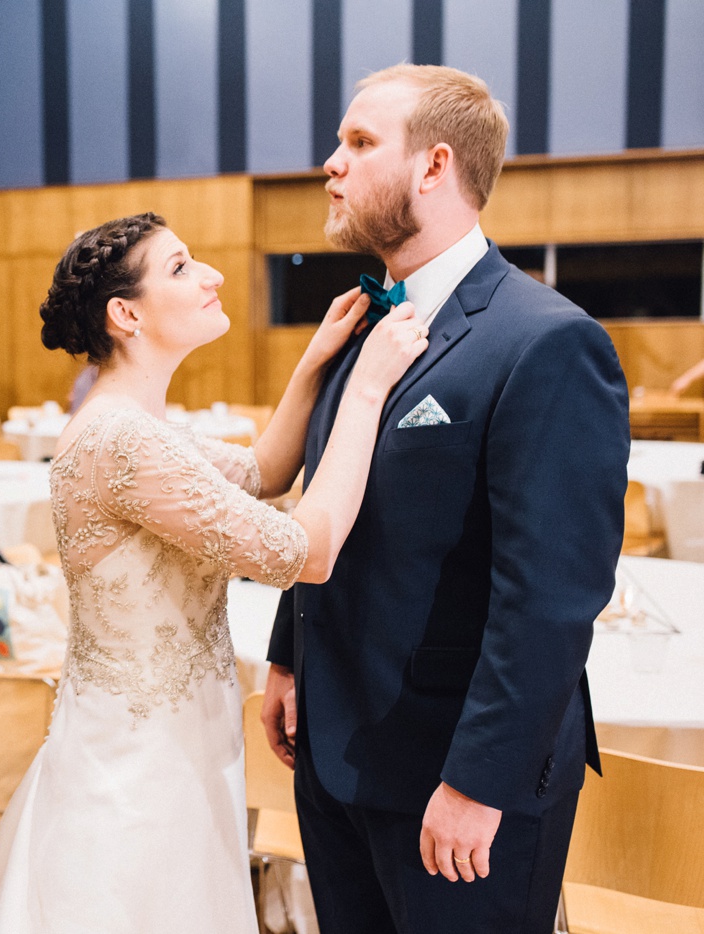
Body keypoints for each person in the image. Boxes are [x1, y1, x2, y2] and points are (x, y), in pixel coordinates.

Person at [0, 212, 428, 933]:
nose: (211, 275)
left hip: (169, 735)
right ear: (126, 314)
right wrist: (365, 389)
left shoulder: (136, 425)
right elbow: (308, 551)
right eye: (180, 267)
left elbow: (265, 471)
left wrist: (315, 360)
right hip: (143, 764)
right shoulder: (121, 440)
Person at [261, 64, 629, 934]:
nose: (330, 163)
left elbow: (547, 597)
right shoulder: (362, 326)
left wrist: (478, 782)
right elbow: (330, 502)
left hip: (454, 777)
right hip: (335, 744)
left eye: (357, 143)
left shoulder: (546, 342)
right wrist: (288, 657)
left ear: (433, 167)